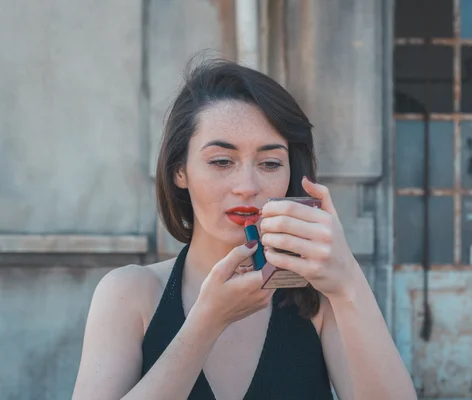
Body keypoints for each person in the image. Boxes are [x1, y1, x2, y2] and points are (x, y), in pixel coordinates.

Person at [72, 58, 417, 400]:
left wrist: (348, 281)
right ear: (180, 171)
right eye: (222, 161)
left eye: (270, 163)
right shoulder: (130, 292)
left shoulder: (319, 298)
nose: (247, 186)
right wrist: (205, 323)